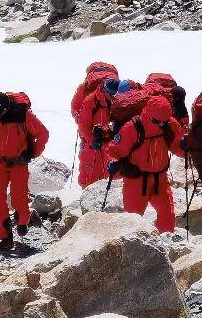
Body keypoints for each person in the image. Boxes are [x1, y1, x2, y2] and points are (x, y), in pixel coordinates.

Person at [106, 94, 184, 232]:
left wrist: (187, 146)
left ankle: (163, 246)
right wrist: (114, 164)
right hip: (136, 181)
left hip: (160, 179)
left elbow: (176, 146)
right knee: (132, 222)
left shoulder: (169, 124)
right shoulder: (132, 128)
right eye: (157, 121)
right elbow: (113, 151)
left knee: (168, 217)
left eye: (164, 122)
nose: (161, 125)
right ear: (148, 114)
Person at [0, 91, 49, 249]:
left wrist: (31, 153)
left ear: (6, 108)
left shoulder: (22, 113)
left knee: (19, 199)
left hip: (19, 163)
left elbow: (42, 133)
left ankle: (22, 221)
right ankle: (5, 238)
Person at [76, 74, 129, 188]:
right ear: (107, 91)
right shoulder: (90, 101)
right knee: (89, 176)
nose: (115, 97)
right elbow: (83, 125)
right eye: (113, 95)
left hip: (109, 144)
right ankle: (85, 197)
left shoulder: (117, 102)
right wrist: (92, 140)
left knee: (111, 174)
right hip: (92, 144)